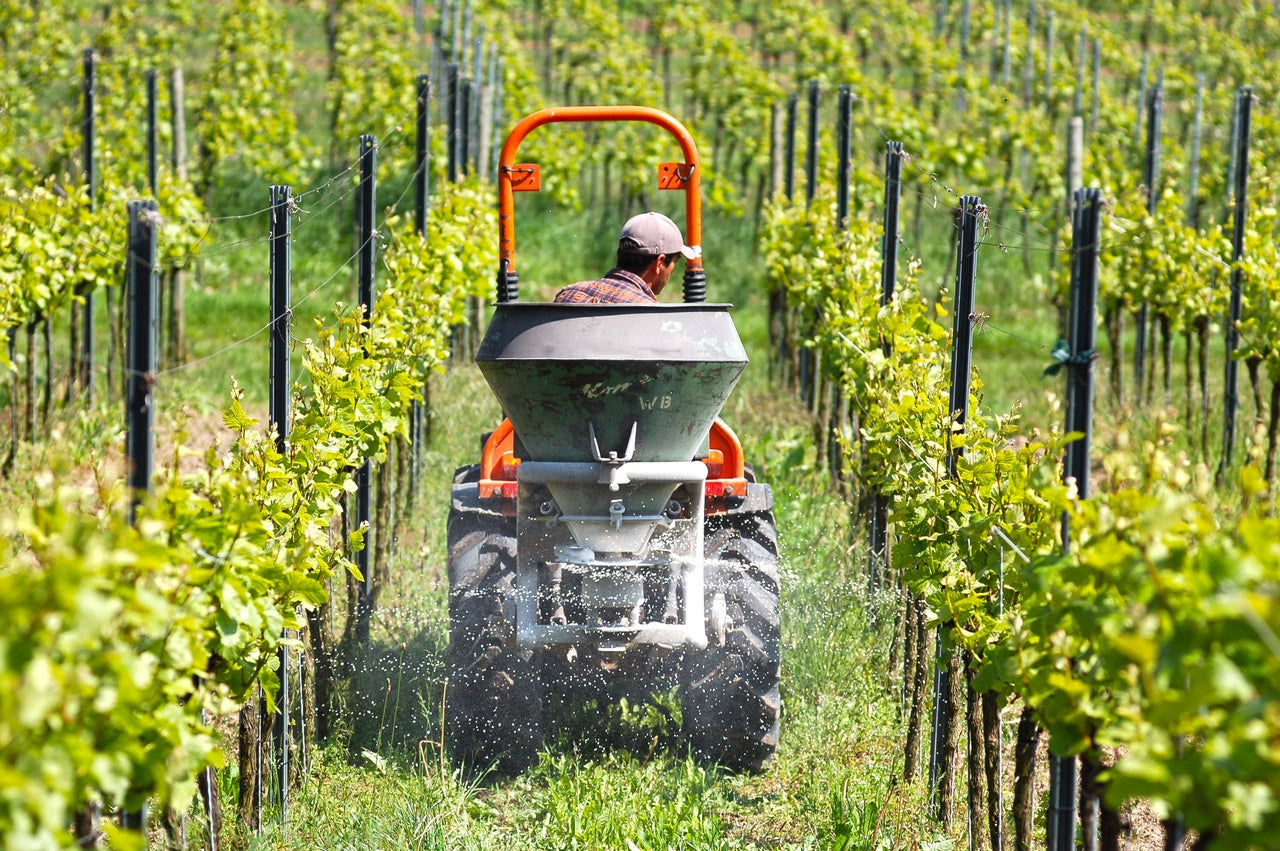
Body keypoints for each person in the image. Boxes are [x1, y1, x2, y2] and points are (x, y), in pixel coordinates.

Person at [553, 211, 699, 304]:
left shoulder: (569, 294)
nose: (673, 270)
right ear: (660, 262)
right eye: (675, 261)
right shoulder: (650, 314)